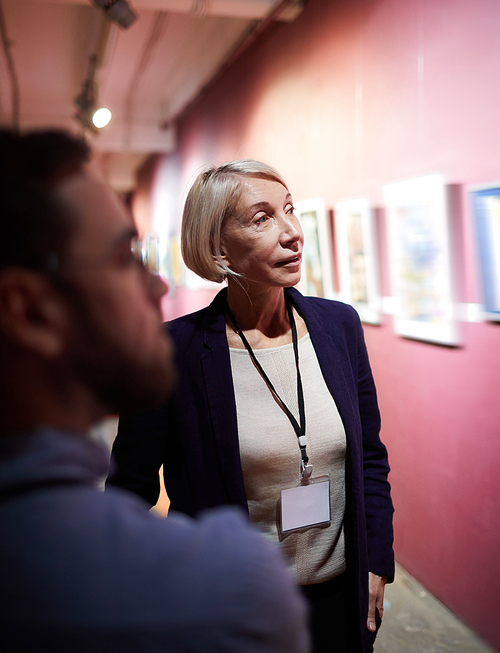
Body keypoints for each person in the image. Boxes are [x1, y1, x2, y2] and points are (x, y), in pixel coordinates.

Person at [0, 133, 309, 653]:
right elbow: (135, 479)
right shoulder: (227, 590)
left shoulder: (334, 327)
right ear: (30, 310)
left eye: (290, 211)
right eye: (124, 258)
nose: (157, 287)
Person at [108, 159, 395, 653]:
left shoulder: (339, 327)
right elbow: (127, 495)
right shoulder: (172, 351)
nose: (292, 233)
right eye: (262, 218)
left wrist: (376, 562)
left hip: (338, 602)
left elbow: (369, 456)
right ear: (218, 247)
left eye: (289, 210)